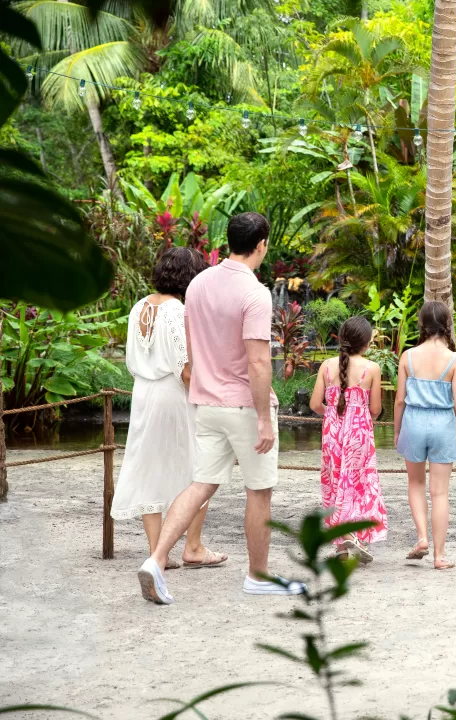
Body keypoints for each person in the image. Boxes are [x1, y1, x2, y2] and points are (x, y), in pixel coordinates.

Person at [136, 212, 304, 604]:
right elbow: (259, 362)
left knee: (200, 484)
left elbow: (192, 348)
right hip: (243, 406)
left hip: (205, 403)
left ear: (229, 240)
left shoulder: (197, 285)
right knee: (259, 490)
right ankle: (258, 575)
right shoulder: (255, 293)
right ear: (261, 245)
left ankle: (157, 560)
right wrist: (264, 417)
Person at [111, 247, 226, 569]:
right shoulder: (178, 310)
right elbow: (185, 370)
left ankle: (156, 552)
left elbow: (133, 358)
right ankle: (193, 546)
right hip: (173, 395)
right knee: (199, 467)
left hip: (143, 393)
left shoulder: (138, 307)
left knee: (150, 467)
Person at [394, 301, 456, 570]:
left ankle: (421, 537)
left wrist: (398, 431)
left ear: (421, 324)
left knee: (416, 484)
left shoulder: (407, 356)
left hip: (414, 421)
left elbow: (399, 400)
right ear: (447, 325)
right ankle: (439, 556)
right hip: (442, 424)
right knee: (440, 493)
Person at [310, 317, 387, 564]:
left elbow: (314, 405)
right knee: (357, 482)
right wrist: (358, 416)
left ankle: (343, 542)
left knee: (335, 482)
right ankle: (352, 535)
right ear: (365, 343)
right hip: (360, 433)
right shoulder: (372, 368)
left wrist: (333, 414)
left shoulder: (326, 366)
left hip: (331, 433)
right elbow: (375, 409)